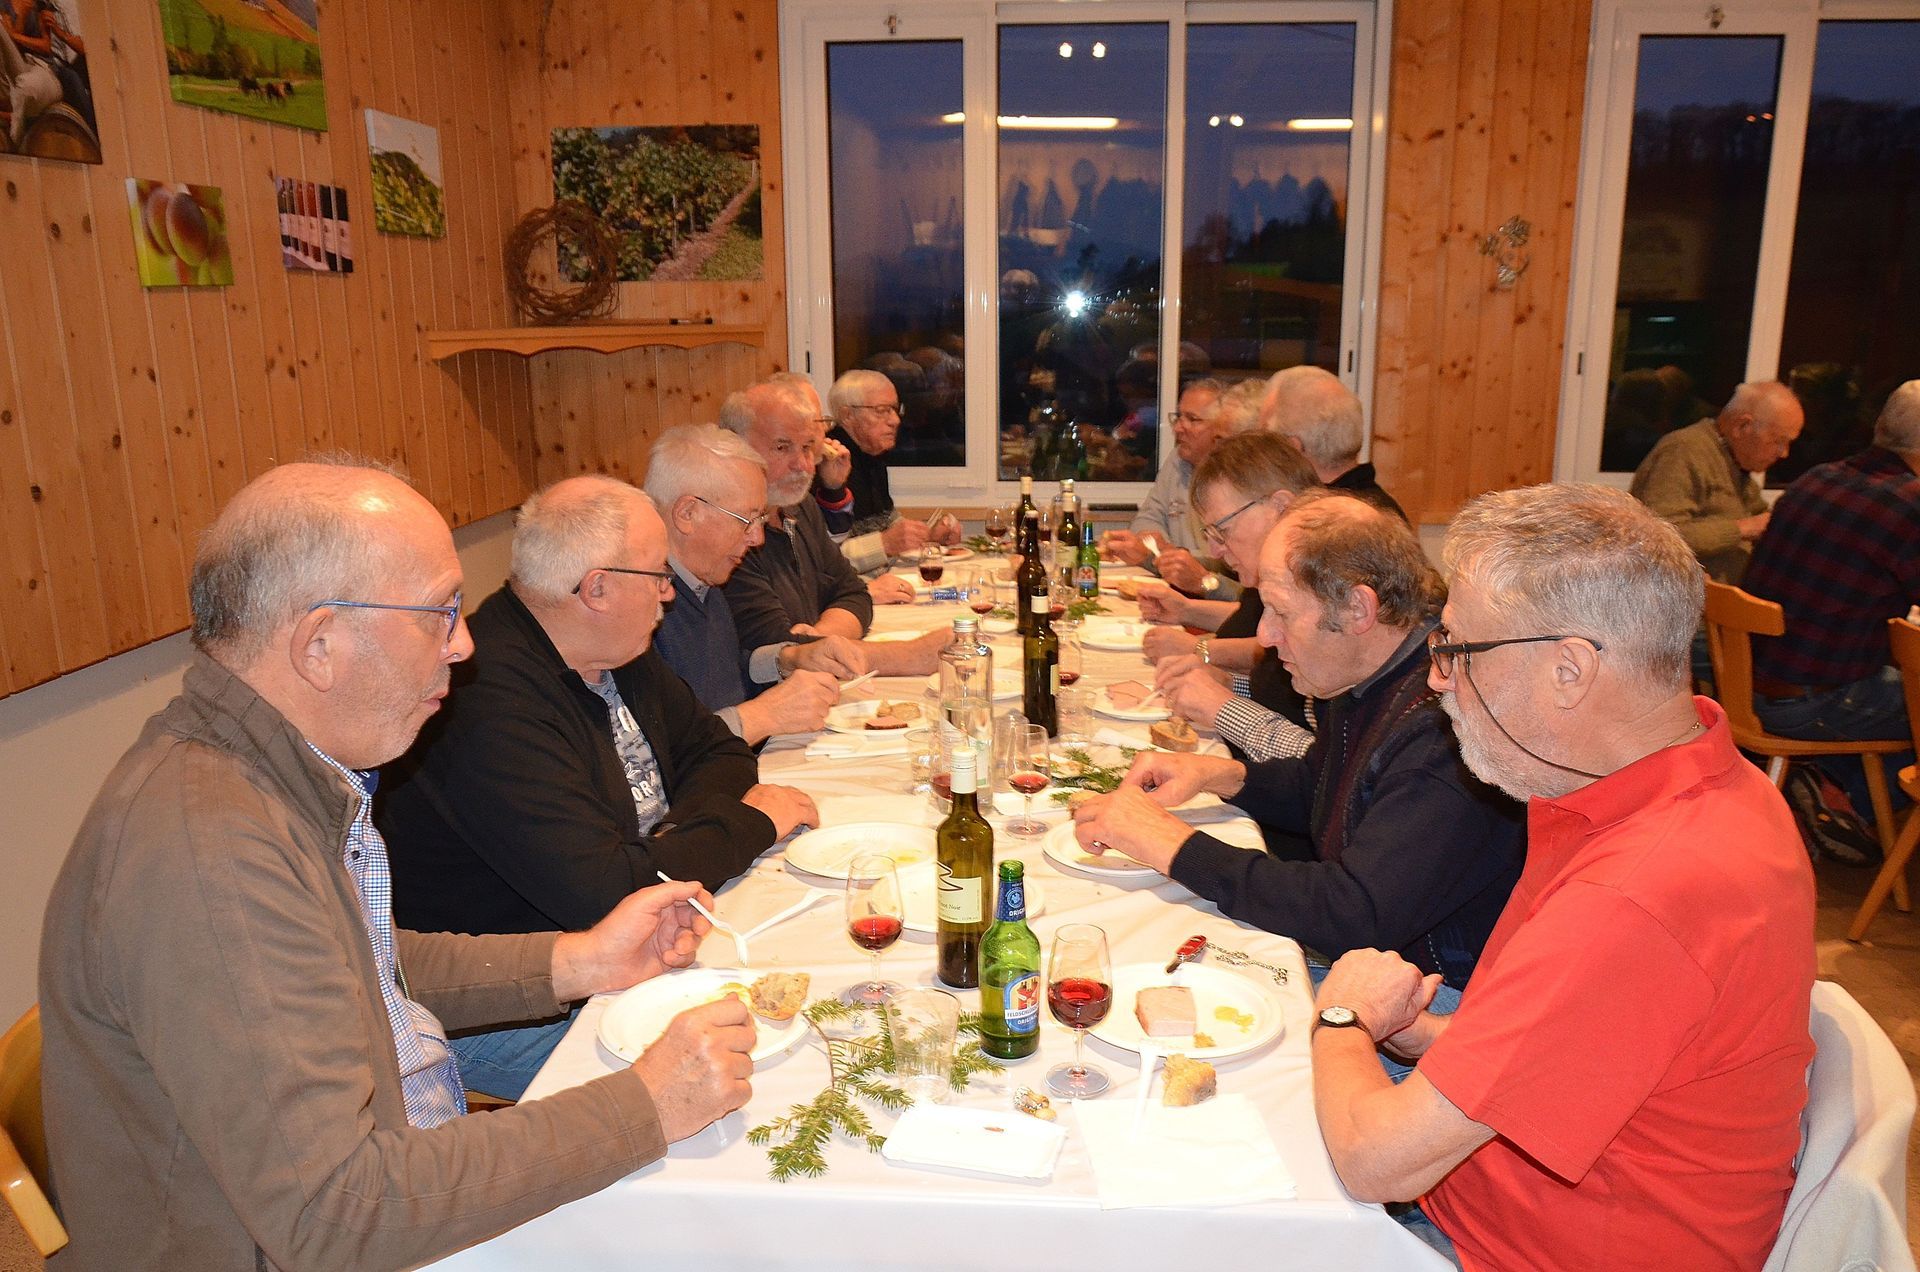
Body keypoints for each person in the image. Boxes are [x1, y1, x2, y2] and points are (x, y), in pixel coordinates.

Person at [39, 460, 755, 1270]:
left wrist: (582, 960)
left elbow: (360, 965)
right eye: (438, 614)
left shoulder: (272, 773)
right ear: (319, 645)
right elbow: (340, 1212)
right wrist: (644, 1105)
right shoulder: (210, 853)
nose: (464, 644)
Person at [1307, 483, 1813, 1271]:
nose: (1438, 679)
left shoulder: (1639, 892)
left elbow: (1377, 1163)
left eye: (1457, 650)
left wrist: (1340, 1020)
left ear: (1569, 670)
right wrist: (1424, 1034)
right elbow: (1599, 1043)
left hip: (1505, 1250)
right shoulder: (1704, 785)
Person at [377, 474, 815, 1096]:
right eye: (657, 574)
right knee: (774, 1068)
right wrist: (750, 825)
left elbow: (716, 749)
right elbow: (605, 895)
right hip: (509, 1003)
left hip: (628, 935)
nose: (669, 592)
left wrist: (673, 843)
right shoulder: (487, 700)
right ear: (598, 588)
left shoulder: (615, 650)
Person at [1072, 493, 1523, 1009]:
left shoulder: (1444, 730)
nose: (1265, 636)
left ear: (1357, 609)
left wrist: (1169, 842)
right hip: (1370, 957)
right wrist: (1217, 775)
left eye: (1281, 612)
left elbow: (1352, 913)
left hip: (1436, 1001)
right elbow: (1324, 786)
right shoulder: (1371, 672)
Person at [1742, 379, 1920, 818]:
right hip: (1813, 700)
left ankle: (1832, 792)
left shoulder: (1816, 477)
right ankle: (1852, 812)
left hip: (1749, 684)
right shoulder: (1909, 504)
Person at [646, 423, 868, 744]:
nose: (757, 538)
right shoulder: (642, 607)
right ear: (687, 513)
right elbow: (660, 748)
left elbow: (726, 675)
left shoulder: (704, 582)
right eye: (746, 520)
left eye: (760, 520)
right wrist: (764, 715)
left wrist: (789, 659)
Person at [722, 378, 948, 676]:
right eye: (782, 447)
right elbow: (776, 646)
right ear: (736, 447)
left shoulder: (801, 508)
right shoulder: (730, 530)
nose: (803, 465)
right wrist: (909, 656)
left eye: (807, 448)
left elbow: (855, 594)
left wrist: (819, 639)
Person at [1136, 432, 1321, 761]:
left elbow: (1328, 765)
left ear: (1281, 507)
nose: (1214, 550)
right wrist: (1228, 683)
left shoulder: (1328, 595)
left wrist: (1224, 707)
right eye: (1209, 534)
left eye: (1223, 531)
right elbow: (1285, 699)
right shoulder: (1289, 584)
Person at [1629, 379, 1804, 585]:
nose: (1784, 453)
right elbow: (1658, 536)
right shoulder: (1684, 451)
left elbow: (1762, 519)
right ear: (1742, 426)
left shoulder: (1735, 462)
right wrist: (1744, 529)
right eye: (1778, 441)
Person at [814, 368, 959, 574]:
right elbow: (821, 560)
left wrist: (928, 537)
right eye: (882, 410)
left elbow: (886, 523)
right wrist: (884, 544)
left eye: (895, 409)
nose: (895, 420)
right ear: (847, 415)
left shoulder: (872, 456)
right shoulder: (825, 464)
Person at [1101, 378, 1236, 596]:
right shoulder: (1178, 460)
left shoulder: (1234, 479)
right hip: (1175, 588)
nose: (1178, 428)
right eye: (1178, 417)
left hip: (1208, 595)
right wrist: (1160, 551)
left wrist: (1164, 553)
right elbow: (1147, 518)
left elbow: (1225, 562)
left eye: (1192, 419)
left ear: (1222, 430)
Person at [1260, 365, 1407, 521]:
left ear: (1292, 449)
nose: (1262, 453)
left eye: (1266, 441)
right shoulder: (1383, 509)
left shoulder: (1322, 523)